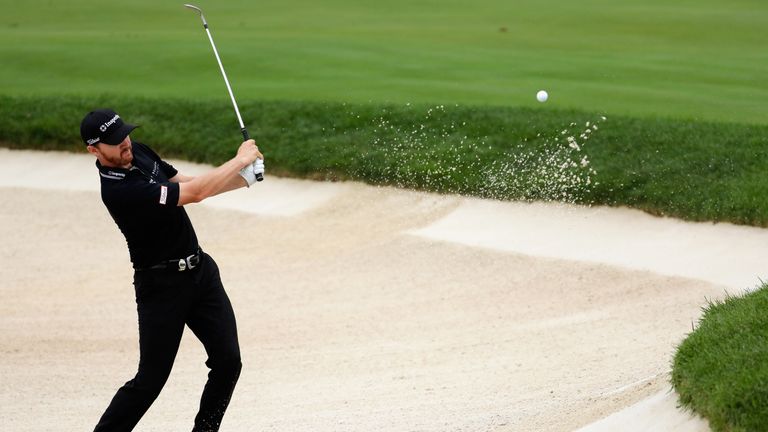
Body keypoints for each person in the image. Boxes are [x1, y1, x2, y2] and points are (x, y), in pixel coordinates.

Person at [80, 108, 264, 432]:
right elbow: (194, 194)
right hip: (161, 287)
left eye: (124, 134)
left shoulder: (137, 150)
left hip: (200, 271)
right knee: (149, 382)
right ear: (94, 150)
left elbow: (185, 183)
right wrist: (239, 160)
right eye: (113, 141)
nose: (124, 143)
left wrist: (244, 178)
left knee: (228, 361)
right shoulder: (119, 191)